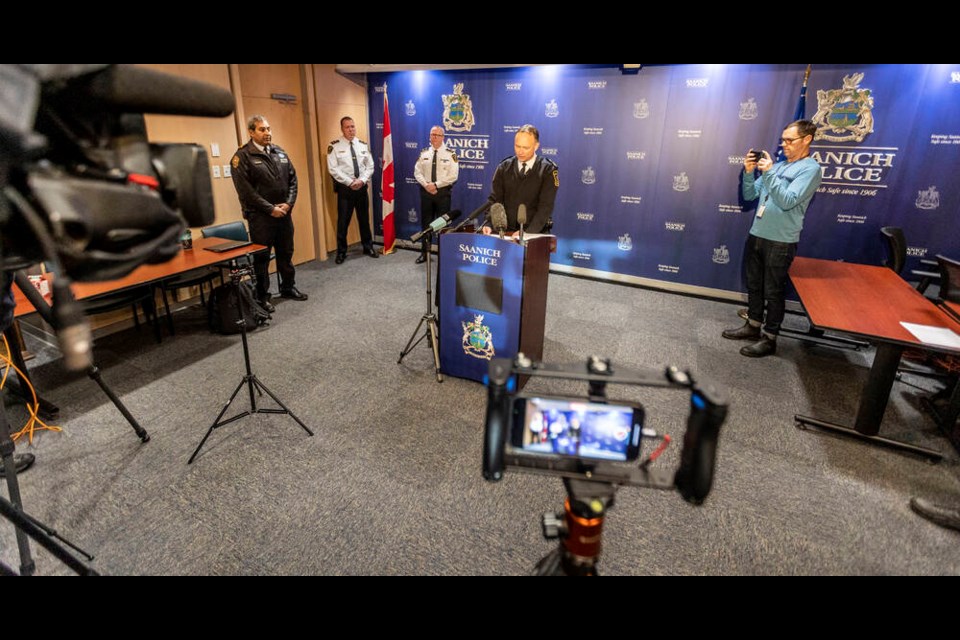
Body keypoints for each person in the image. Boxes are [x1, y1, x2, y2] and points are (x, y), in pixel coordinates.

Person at [722, 120, 822, 358]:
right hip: (757, 233)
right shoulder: (777, 167)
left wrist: (768, 173)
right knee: (754, 284)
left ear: (806, 139)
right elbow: (750, 195)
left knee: (774, 291)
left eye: (790, 140)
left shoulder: (810, 169)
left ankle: (770, 338)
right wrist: (749, 173)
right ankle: (753, 326)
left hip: (781, 240)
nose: (784, 144)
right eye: (783, 140)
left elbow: (788, 200)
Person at [230, 115, 307, 311]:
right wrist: (270, 209)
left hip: (284, 214)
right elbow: (246, 192)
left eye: (269, 129)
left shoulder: (279, 151)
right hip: (261, 218)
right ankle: (262, 296)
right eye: (262, 129)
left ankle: (288, 287)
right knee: (262, 259)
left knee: (286, 253)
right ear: (251, 132)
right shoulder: (242, 157)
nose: (267, 133)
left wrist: (288, 204)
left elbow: (293, 180)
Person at [484, 124, 559, 236]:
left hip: (535, 233)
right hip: (506, 232)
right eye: (517, 146)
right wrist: (489, 223)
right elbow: (495, 201)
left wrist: (528, 232)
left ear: (536, 146)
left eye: (525, 147)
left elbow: (545, 207)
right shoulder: (504, 167)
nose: (520, 151)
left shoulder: (548, 170)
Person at [327, 116, 378, 264]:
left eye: (353, 126)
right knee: (343, 222)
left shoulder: (362, 145)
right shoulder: (334, 146)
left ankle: (368, 247)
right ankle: (341, 252)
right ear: (342, 129)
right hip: (345, 190)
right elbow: (333, 169)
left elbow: (370, 166)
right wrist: (350, 182)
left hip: (361, 188)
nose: (351, 129)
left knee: (364, 220)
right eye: (347, 127)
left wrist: (361, 180)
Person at [413, 126, 459, 263]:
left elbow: (453, 176)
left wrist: (436, 185)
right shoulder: (424, 153)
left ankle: (443, 256)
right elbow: (417, 172)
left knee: (442, 225)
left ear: (443, 137)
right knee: (426, 225)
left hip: (442, 194)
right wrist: (426, 185)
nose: (435, 137)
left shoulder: (451, 154)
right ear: (429, 136)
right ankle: (425, 253)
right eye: (432, 134)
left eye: (438, 135)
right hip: (426, 193)